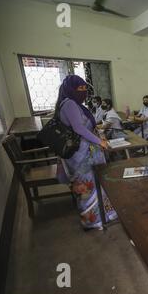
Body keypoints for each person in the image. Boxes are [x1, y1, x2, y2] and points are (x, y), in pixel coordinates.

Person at [55, 75, 117, 230]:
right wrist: (100, 141)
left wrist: (97, 135)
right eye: (80, 89)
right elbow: (79, 128)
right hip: (80, 155)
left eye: (85, 89)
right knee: (86, 188)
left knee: (96, 185)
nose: (83, 92)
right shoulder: (69, 104)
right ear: (70, 89)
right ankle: (93, 221)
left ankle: (104, 215)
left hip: (85, 152)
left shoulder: (74, 104)